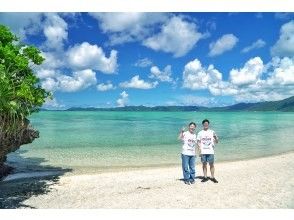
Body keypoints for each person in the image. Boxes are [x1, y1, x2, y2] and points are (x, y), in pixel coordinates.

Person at [197, 119, 219, 183]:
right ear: (203, 125)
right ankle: (205, 177)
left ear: (208, 124)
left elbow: (217, 142)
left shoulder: (212, 132)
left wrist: (216, 137)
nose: (206, 125)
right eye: (204, 124)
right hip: (203, 151)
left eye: (207, 124)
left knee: (211, 164)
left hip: (210, 151)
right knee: (204, 164)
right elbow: (198, 142)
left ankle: (212, 177)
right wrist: (199, 150)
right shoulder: (200, 132)